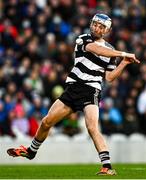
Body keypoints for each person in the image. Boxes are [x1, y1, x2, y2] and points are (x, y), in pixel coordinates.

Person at [7, 13, 140, 175]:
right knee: (46, 122)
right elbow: (96, 49)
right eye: (95, 24)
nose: (97, 27)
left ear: (107, 30)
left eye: (101, 26)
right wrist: (124, 54)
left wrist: (124, 63)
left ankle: (107, 166)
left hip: (91, 90)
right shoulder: (83, 39)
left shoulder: (112, 51)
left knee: (92, 127)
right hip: (73, 89)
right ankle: (31, 151)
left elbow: (110, 77)